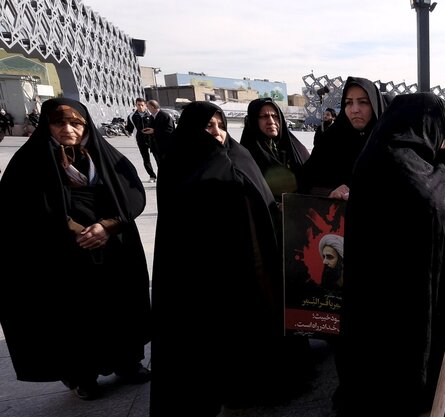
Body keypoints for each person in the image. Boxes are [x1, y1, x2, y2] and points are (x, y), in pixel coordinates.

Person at [336, 92, 445, 417]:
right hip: (394, 299)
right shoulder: (382, 164)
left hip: (436, 287)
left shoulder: (434, 166)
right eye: (441, 132)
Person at [151, 101, 303, 416]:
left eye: (221, 125)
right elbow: (177, 226)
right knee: (219, 336)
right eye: (209, 127)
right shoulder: (179, 163)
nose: (218, 133)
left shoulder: (240, 155)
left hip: (255, 261)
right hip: (210, 271)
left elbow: (263, 199)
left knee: (255, 324)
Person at [0, 98, 152, 401]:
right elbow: (17, 210)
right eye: (59, 123)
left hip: (112, 249)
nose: (67, 129)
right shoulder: (29, 162)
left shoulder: (104, 155)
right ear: (47, 125)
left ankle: (125, 363)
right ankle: (82, 375)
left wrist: (108, 225)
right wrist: (71, 229)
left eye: (75, 123)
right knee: (74, 317)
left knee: (117, 307)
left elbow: (132, 193)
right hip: (62, 258)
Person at [298, 76, 386, 200]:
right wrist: (329, 193)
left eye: (363, 102)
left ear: (375, 105)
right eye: (348, 102)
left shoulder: (389, 143)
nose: (355, 110)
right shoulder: (330, 141)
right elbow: (304, 182)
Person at [240, 97, 310, 200]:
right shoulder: (245, 155)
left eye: (275, 116)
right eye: (264, 116)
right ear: (254, 120)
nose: (271, 121)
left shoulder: (295, 148)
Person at [124, 97, 159, 182]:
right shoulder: (132, 116)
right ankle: (152, 176)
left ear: (146, 105)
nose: (140, 107)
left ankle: (162, 175)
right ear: (136, 105)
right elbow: (129, 129)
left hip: (153, 140)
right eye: (138, 105)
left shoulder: (151, 115)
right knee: (146, 159)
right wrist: (126, 130)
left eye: (142, 105)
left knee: (158, 158)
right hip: (141, 140)